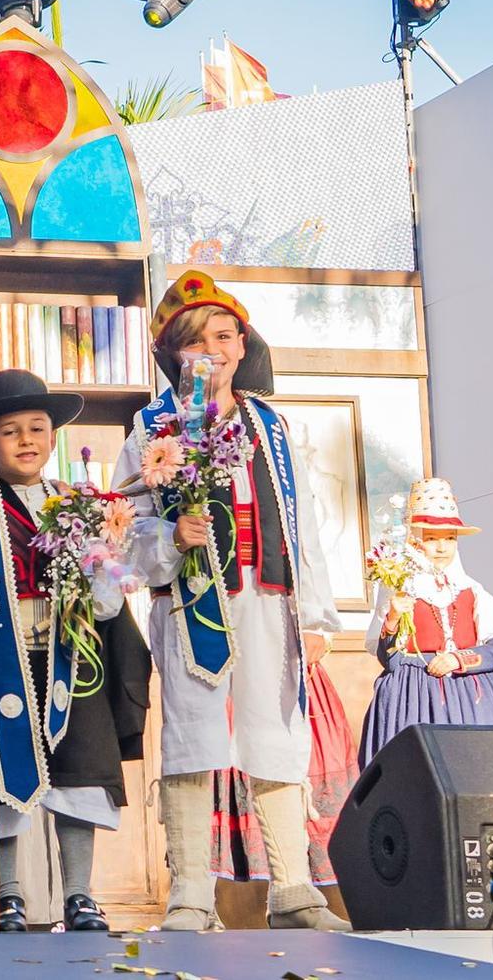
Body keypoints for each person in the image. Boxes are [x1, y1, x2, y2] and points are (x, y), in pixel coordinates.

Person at [115, 270, 347, 933]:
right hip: (191, 606)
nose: (212, 351)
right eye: (195, 341)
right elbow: (125, 528)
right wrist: (170, 534)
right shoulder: (151, 428)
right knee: (194, 735)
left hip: (267, 598)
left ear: (242, 346)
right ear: (173, 356)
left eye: (224, 336)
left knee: (272, 731)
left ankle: (294, 889)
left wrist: (317, 616)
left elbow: (305, 525)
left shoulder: (270, 426)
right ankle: (191, 890)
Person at [0, 370, 150, 933]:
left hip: (71, 658)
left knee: (79, 776)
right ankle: (11, 896)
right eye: (8, 430)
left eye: (37, 428)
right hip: (4, 658)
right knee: (4, 782)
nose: (26, 439)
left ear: (54, 437)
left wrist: (104, 555)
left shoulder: (77, 506)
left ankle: (79, 895)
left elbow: (105, 605)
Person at [359, 477, 493, 763]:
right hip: (414, 698)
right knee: (416, 771)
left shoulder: (470, 590)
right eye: (432, 538)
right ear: (415, 540)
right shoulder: (400, 589)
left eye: (449, 538)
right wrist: (394, 616)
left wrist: (460, 660)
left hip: (473, 698)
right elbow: (391, 660)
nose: (442, 547)